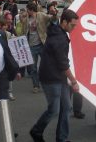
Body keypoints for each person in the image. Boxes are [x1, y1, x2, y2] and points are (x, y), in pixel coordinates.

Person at [30, 9, 79, 142]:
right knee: (54, 109)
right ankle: (36, 131)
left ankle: (62, 138)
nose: (74, 28)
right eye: (72, 25)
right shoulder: (59, 38)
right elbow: (63, 63)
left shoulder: (59, 32)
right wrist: (74, 81)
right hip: (51, 78)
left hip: (59, 77)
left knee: (67, 107)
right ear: (64, 22)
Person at [22, 2, 55, 93]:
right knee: (33, 68)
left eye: (27, 9)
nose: (26, 11)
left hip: (41, 44)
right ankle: (36, 85)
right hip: (31, 46)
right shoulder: (26, 19)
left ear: (31, 10)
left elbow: (52, 18)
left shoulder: (41, 15)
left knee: (47, 65)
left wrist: (54, 13)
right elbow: (23, 30)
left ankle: (48, 83)